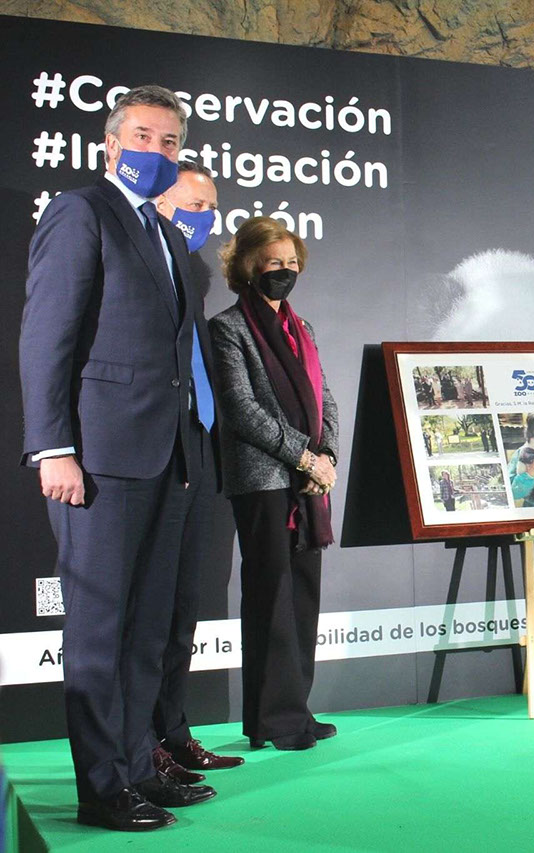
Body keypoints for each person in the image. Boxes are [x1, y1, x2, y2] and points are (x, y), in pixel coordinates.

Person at [19, 85, 217, 831]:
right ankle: (102, 788)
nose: (156, 152)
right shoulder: (80, 211)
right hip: (97, 459)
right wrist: (53, 447)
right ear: (111, 142)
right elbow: (48, 338)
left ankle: (139, 769)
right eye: (143, 136)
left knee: (145, 629)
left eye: (169, 142)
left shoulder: (168, 237)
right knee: (100, 630)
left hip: (167, 460)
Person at [209, 217, 339, 751]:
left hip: (309, 482)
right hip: (262, 479)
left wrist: (324, 456)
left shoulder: (301, 327)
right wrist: (305, 457)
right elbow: (241, 411)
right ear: (248, 267)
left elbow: (324, 398)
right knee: (271, 594)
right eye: (272, 264)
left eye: (291, 263)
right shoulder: (227, 328)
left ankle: (297, 711)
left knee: (303, 593)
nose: (284, 272)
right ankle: (272, 720)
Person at [151, 160, 244, 780]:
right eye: (193, 204)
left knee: (185, 605)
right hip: (150, 455)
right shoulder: (140, 266)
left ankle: (173, 732)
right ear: (159, 203)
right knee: (150, 610)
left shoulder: (193, 274)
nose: (204, 218)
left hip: (201, 453)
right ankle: (142, 745)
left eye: (211, 206)